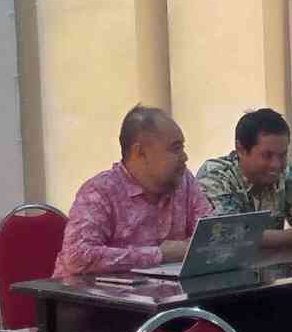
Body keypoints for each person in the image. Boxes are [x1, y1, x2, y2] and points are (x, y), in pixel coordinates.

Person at [53, 105, 213, 277]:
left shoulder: (183, 181)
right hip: (87, 293)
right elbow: (77, 257)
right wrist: (159, 254)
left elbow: (215, 236)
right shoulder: (100, 192)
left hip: (163, 291)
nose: (184, 157)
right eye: (175, 148)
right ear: (140, 152)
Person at [196, 108, 292, 248]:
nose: (276, 165)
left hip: (276, 260)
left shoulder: (285, 172)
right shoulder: (215, 174)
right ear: (241, 149)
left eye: (283, 155)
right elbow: (230, 236)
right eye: (267, 156)